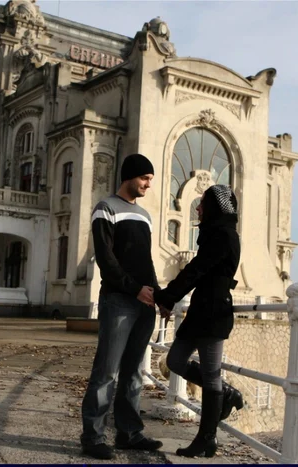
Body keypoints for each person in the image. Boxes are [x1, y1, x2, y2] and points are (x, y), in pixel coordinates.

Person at [79, 153, 163, 460]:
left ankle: (129, 433)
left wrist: (158, 295)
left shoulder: (144, 216)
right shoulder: (106, 209)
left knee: (134, 373)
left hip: (144, 302)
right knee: (107, 371)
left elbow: (146, 262)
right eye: (145, 178)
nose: (147, 185)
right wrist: (133, 289)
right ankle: (93, 436)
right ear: (129, 176)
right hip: (118, 300)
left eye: (150, 180)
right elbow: (106, 261)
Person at [153, 185, 243, 458]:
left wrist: (167, 297)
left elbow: (196, 270)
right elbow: (196, 272)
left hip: (214, 312)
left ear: (214, 207)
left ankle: (206, 438)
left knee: (211, 376)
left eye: (202, 203)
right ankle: (227, 394)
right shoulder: (213, 234)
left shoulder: (223, 236)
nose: (197, 207)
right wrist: (169, 297)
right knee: (175, 361)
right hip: (200, 310)